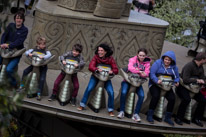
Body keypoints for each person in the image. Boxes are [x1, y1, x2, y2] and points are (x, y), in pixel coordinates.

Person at [77, 44, 118, 117]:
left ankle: (110, 109)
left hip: (106, 78)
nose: (99, 52)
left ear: (105, 52)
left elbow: (116, 69)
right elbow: (90, 66)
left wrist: (112, 71)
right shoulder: (96, 57)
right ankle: (82, 105)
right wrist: (96, 69)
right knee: (89, 88)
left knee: (111, 92)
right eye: (99, 50)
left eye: (101, 50)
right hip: (96, 76)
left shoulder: (110, 59)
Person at [117, 48, 151, 122]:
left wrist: (143, 74)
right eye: (140, 55)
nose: (142, 57)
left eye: (143, 56)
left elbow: (147, 73)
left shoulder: (147, 63)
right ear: (137, 55)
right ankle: (121, 111)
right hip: (128, 80)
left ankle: (136, 114)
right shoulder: (132, 59)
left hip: (137, 82)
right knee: (123, 92)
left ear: (146, 56)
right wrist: (139, 71)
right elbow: (130, 68)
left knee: (142, 96)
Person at [147, 51, 179, 126]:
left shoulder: (174, 68)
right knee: (155, 96)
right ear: (163, 58)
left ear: (172, 61)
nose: (167, 61)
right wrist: (156, 80)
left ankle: (167, 117)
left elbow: (177, 77)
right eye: (166, 59)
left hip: (167, 85)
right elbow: (151, 74)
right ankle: (150, 114)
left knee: (172, 98)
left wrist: (176, 82)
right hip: (155, 84)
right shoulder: (157, 63)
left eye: (169, 60)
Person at [175, 52, 206, 126]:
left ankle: (196, 118)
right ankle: (179, 118)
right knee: (186, 99)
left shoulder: (201, 67)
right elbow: (185, 79)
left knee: (203, 100)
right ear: (202, 59)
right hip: (183, 87)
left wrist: (203, 82)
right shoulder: (189, 66)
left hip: (194, 88)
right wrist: (197, 80)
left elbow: (203, 77)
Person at [17, 36, 51, 101]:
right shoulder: (34, 49)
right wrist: (29, 54)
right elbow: (27, 52)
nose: (44, 45)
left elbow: (49, 55)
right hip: (34, 65)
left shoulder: (46, 50)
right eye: (42, 44)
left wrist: (43, 57)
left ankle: (39, 93)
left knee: (42, 79)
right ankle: (22, 85)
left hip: (42, 66)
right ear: (38, 44)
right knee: (25, 71)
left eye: (44, 44)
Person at [0, 11, 28, 88]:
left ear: (23, 20)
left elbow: (19, 42)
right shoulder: (10, 26)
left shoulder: (24, 30)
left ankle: (14, 84)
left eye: (20, 18)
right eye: (17, 18)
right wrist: (2, 44)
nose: (18, 20)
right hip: (4, 50)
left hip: (16, 53)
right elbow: (4, 35)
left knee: (9, 69)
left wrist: (8, 45)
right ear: (15, 19)